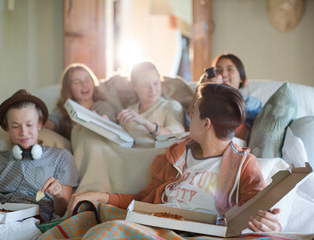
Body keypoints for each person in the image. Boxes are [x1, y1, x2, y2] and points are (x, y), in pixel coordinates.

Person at [66, 83, 281, 233]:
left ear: (206, 124)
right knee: (87, 221)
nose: (189, 120)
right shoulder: (174, 156)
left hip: (201, 234)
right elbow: (142, 201)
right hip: (154, 227)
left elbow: (262, 211)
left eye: (193, 114)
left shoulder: (243, 165)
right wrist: (102, 197)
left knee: (110, 232)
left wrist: (273, 225)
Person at [0, 89, 79, 222]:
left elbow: (61, 211)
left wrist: (59, 193)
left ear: (39, 124)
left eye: (29, 125)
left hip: (34, 222)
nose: (23, 132)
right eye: (15, 126)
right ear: (7, 127)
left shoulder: (61, 157)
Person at [187, 53, 263, 141]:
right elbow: (190, 121)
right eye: (218, 70)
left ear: (241, 78)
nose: (223, 74)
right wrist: (202, 89)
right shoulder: (204, 99)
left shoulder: (252, 103)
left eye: (230, 69)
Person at [117, 61, 184, 147]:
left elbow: (176, 137)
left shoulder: (171, 107)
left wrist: (145, 122)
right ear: (134, 86)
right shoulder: (130, 110)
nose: (152, 90)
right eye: (145, 85)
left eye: (156, 83)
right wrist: (106, 123)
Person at [44, 63, 118, 139]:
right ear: (69, 88)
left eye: (87, 80)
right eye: (77, 82)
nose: (84, 84)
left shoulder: (102, 105)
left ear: (93, 83)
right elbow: (53, 120)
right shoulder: (64, 109)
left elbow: (109, 122)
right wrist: (47, 124)